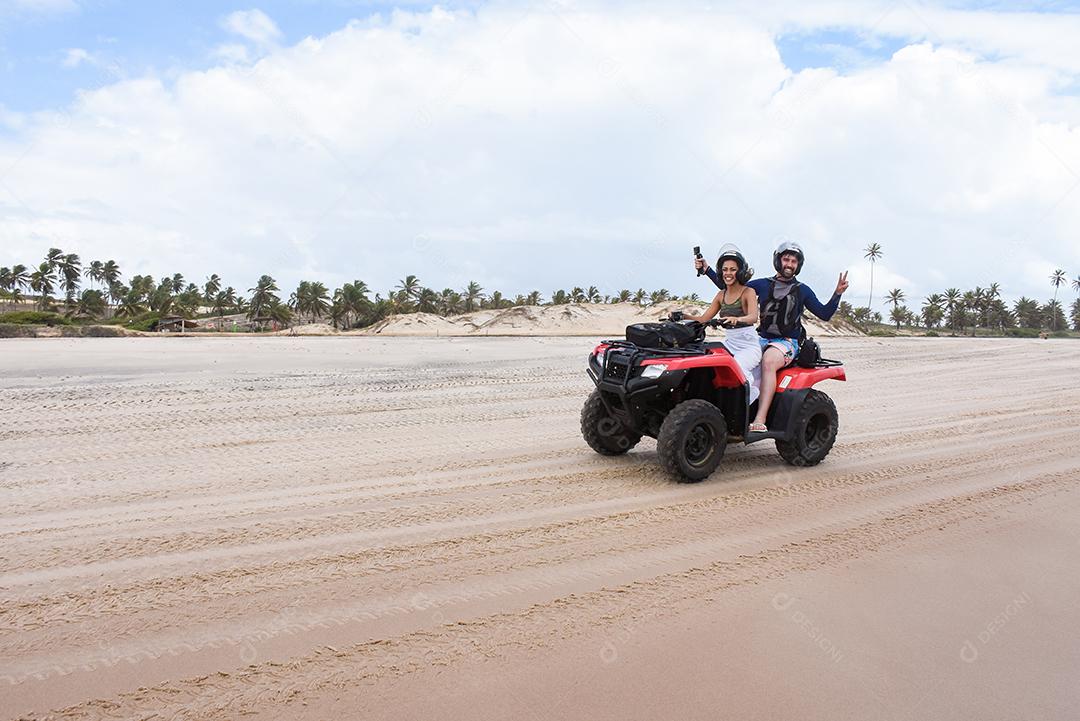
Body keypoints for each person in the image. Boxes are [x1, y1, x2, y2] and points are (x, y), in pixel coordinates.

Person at [695, 240, 849, 432]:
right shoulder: (762, 284)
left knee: (768, 361)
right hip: (760, 338)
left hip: (787, 342)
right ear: (778, 261)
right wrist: (707, 269)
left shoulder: (803, 290)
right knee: (729, 361)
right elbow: (730, 285)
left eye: (793, 261)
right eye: (786, 259)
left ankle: (760, 419)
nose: (789, 264)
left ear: (798, 265)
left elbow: (824, 314)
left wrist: (837, 294)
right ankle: (731, 412)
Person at [682, 244, 762, 404]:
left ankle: (748, 400)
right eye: (725, 270)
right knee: (705, 362)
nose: (728, 273)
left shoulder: (748, 292)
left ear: (740, 271)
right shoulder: (721, 295)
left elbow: (753, 317)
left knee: (737, 366)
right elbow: (703, 319)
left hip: (748, 346)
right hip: (729, 343)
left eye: (733, 269)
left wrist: (737, 319)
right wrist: (682, 316)